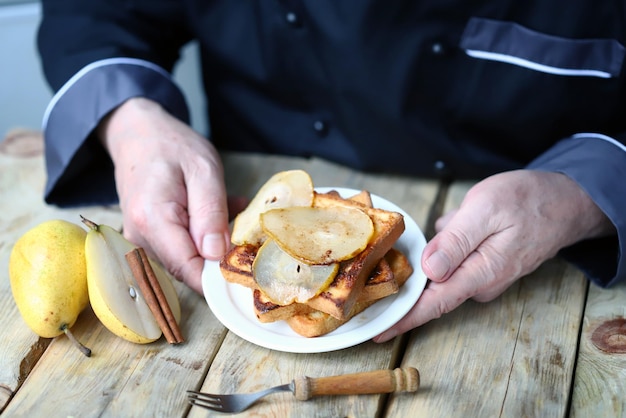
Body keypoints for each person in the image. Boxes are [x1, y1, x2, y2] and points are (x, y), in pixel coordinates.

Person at [37, 1, 625, 343]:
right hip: (243, 174)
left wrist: (588, 191)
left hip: (551, 255)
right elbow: (95, 10)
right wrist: (129, 119)